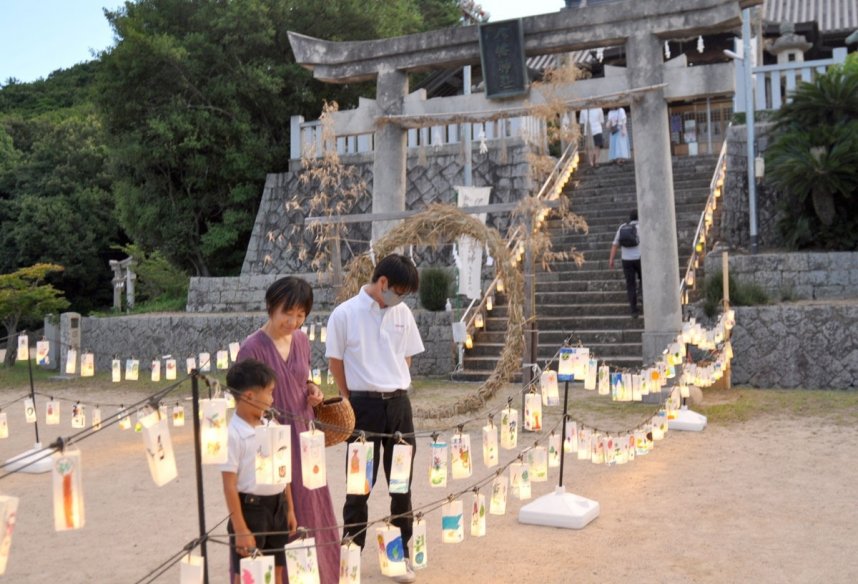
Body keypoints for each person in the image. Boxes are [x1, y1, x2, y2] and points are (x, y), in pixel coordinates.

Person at [326, 254, 424, 584]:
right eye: (399, 290)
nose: (402, 298)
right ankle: (350, 559)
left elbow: (407, 354)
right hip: (362, 406)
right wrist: (348, 395)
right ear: (382, 283)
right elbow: (335, 359)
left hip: (398, 406)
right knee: (358, 487)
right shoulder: (345, 314)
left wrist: (392, 381)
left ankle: (400, 557)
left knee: (401, 485)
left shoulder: (402, 313)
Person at [237, 277, 339, 584]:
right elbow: (244, 405)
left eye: (301, 315)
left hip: (305, 435)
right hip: (271, 441)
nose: (293, 321)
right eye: (287, 313)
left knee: (312, 504)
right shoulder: (251, 349)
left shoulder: (303, 341)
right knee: (280, 508)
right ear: (271, 307)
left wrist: (313, 389)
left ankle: (319, 574)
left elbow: (302, 379)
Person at [221, 359, 297, 584]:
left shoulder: (271, 426)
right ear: (249, 396)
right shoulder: (234, 434)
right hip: (250, 511)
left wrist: (289, 509)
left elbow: (284, 472)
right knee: (247, 575)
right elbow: (229, 485)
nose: (273, 399)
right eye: (270, 392)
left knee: (277, 571)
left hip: (278, 508)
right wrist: (240, 528)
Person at [608, 211, 643, 318]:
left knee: (630, 284)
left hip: (626, 260)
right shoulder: (642, 227)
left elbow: (615, 245)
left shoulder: (622, 227)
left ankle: (633, 310)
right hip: (640, 258)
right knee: (644, 280)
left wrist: (611, 259)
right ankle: (642, 294)